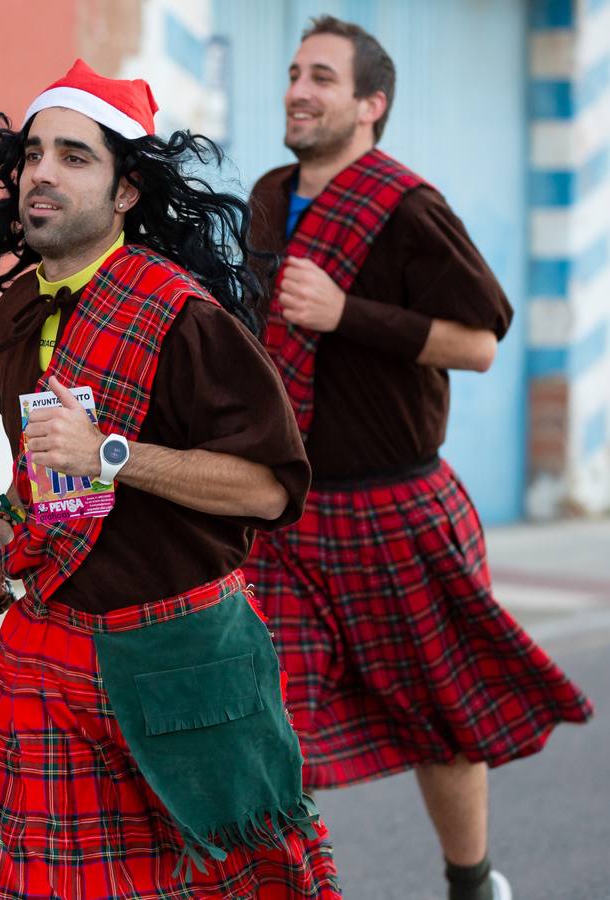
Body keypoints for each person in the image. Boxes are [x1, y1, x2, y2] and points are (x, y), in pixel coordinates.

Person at [0, 60, 341, 899]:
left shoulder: (184, 317)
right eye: (35, 153)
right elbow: (46, 470)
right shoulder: (11, 320)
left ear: (125, 193)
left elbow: (268, 490)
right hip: (53, 650)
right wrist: (6, 534)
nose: (42, 172)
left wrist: (111, 452)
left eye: (75, 156)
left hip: (181, 658)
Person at [243, 16, 594, 900]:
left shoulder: (408, 206)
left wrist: (346, 312)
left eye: (321, 76)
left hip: (396, 507)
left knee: (442, 721)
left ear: (371, 104)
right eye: (293, 72)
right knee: (269, 721)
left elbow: (478, 342)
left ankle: (471, 883)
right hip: (289, 512)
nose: (296, 89)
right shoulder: (266, 194)